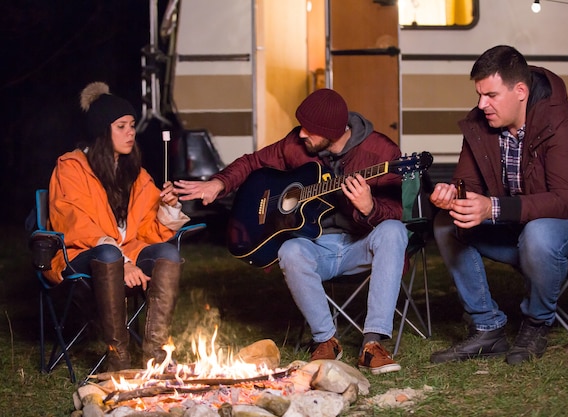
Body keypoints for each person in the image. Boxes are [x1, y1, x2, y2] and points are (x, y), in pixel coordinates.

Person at [175, 88, 407, 374]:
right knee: (290, 249)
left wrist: (370, 207)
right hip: (317, 245)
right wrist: (219, 184)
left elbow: (396, 211)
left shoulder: (381, 152)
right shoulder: (297, 146)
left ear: (331, 131)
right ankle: (326, 339)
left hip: (360, 245)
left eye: (309, 129)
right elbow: (253, 162)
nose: (301, 134)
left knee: (394, 231)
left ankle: (373, 345)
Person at [428, 45, 568, 365]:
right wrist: (452, 195)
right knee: (446, 222)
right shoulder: (481, 124)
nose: (482, 104)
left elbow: (563, 202)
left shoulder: (562, 122)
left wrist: (492, 208)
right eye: (479, 94)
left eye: (491, 95)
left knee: (539, 233)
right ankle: (487, 327)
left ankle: (536, 324)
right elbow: (471, 187)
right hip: (522, 224)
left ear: (520, 91)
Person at [46, 82, 190, 371]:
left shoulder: (135, 174)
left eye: (132, 125)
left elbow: (150, 232)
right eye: (121, 126)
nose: (131, 132)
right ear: (102, 131)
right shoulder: (71, 168)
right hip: (78, 256)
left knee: (168, 255)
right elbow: (74, 225)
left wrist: (169, 206)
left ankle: (155, 355)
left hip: (125, 255)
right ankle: (118, 357)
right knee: (110, 255)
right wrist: (123, 262)